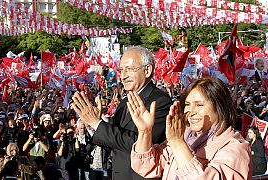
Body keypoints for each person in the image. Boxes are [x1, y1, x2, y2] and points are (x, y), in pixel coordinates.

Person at [72, 46, 172, 179]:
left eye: (129, 69)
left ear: (147, 70)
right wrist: (93, 125)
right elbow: (114, 141)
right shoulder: (125, 102)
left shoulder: (160, 102)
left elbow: (141, 145)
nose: (123, 76)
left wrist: (97, 124)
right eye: (121, 70)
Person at [129, 77, 252, 179]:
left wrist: (178, 143)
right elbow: (146, 166)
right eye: (187, 105)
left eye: (199, 105)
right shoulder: (185, 137)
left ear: (219, 108)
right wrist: (145, 131)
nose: (191, 111)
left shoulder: (235, 148)